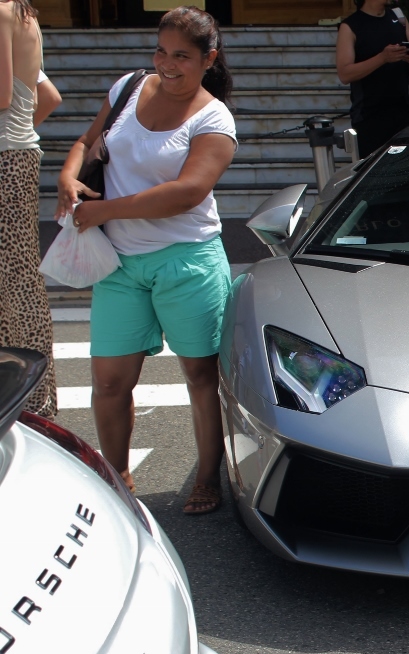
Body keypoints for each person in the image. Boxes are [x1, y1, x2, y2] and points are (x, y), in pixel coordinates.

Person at [55, 6, 237, 514]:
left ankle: (206, 478)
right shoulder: (130, 87)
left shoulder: (213, 117)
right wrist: (69, 177)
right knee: (109, 383)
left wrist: (103, 210)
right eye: (161, 51)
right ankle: (117, 478)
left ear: (208, 59)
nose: (168, 64)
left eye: (182, 55)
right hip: (118, 262)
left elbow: (187, 192)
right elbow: (88, 142)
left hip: (187, 261)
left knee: (201, 376)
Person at [0, 0, 56, 417]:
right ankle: (35, 395)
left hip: (4, 159)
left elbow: (1, 93)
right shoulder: (24, 16)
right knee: (19, 282)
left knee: (10, 284)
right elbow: (48, 96)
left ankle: (16, 394)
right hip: (16, 155)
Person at [337, 0, 409, 157]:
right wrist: (382, 58)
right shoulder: (350, 26)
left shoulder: (399, 17)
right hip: (370, 118)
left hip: (407, 114)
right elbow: (345, 74)